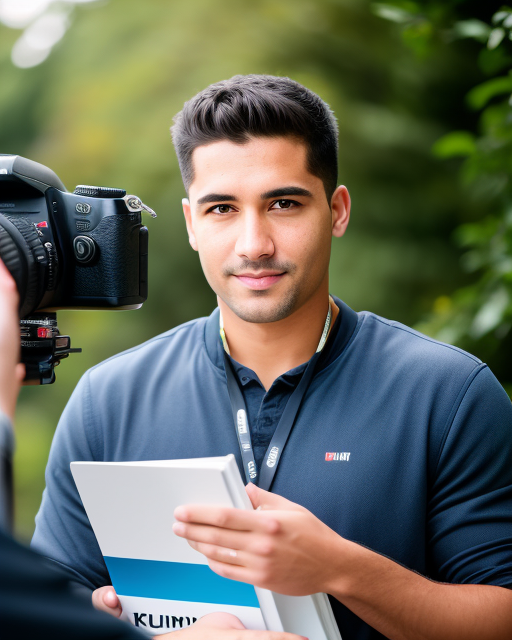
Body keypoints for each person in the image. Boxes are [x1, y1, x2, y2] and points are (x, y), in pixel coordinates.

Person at [31, 75, 512, 640]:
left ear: (336, 211)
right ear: (190, 224)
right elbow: (41, 616)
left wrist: (339, 568)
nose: (253, 243)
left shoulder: (449, 393)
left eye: (283, 203)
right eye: (222, 209)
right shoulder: (106, 400)